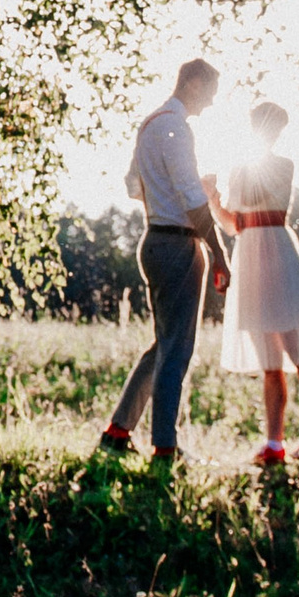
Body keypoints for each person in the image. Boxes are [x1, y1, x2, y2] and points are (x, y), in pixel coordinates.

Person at [99, 59, 231, 463]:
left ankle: (118, 431)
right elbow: (192, 199)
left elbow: (133, 187)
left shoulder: (150, 124)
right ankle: (165, 448)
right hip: (178, 246)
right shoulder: (177, 128)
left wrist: (168, 194)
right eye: (209, 92)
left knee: (164, 344)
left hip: (153, 239)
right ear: (191, 82)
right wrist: (219, 252)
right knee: (177, 349)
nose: (211, 103)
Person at [216, 100, 299, 466]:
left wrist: (229, 185)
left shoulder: (283, 165)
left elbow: (251, 197)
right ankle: (274, 443)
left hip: (278, 252)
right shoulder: (240, 167)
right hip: (248, 253)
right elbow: (233, 223)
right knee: (269, 361)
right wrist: (212, 198)